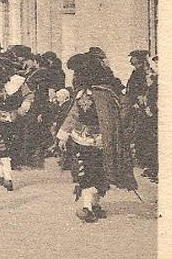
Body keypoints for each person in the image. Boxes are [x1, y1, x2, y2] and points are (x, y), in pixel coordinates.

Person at [57, 53, 138, 222]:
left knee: (86, 171)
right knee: (102, 171)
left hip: (83, 139)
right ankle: (96, 204)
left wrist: (62, 136)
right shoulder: (110, 92)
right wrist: (116, 126)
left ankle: (87, 208)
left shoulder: (83, 94)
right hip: (105, 139)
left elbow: (73, 116)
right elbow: (126, 107)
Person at [0, 53, 33, 192]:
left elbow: (28, 95)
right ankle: (8, 178)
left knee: (9, 146)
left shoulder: (18, 82)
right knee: (0, 147)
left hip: (14, 118)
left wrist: (23, 107)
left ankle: (0, 173)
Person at [126, 50, 158, 182]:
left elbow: (142, 91)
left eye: (132, 58)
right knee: (141, 138)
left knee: (145, 138)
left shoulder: (144, 73)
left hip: (144, 109)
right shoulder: (137, 72)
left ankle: (150, 167)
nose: (130, 61)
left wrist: (138, 102)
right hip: (139, 108)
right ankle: (148, 166)